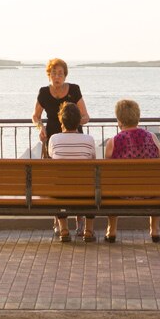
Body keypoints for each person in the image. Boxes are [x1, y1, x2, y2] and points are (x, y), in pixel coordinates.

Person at [100, 98, 160, 244]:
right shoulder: (152, 137)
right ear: (138, 117)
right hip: (149, 192)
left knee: (111, 185)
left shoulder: (113, 142)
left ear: (119, 120)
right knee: (155, 181)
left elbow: (108, 171)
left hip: (122, 193)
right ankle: (154, 229)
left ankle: (112, 230)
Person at [45, 99, 97, 243]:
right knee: (92, 187)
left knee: (57, 185)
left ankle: (64, 229)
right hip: (84, 190)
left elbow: (51, 157)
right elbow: (93, 162)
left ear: (61, 121)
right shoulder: (89, 140)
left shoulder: (54, 139)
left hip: (61, 191)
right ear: (79, 121)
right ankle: (88, 230)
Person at [32, 58, 88, 155]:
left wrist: (72, 123)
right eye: (53, 73)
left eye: (60, 73)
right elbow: (35, 116)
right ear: (49, 75)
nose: (57, 77)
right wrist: (40, 127)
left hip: (74, 138)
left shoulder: (74, 90)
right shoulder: (44, 92)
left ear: (65, 76)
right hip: (52, 139)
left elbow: (86, 116)